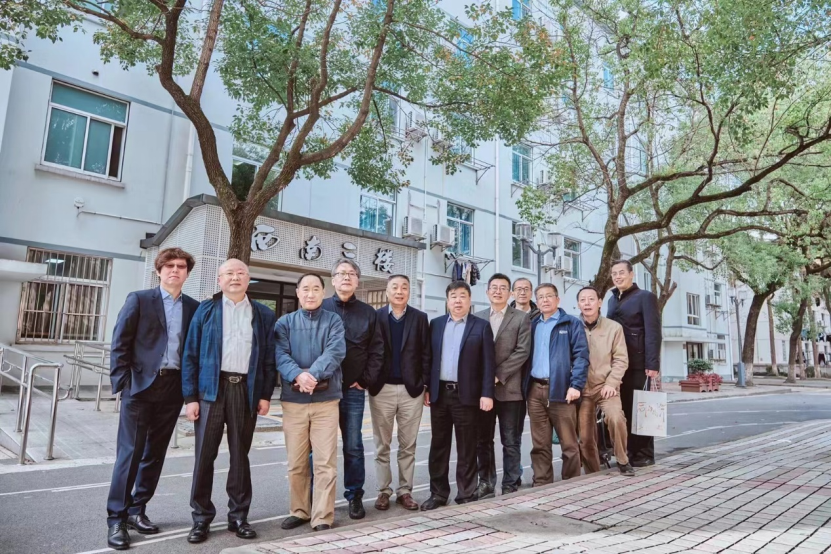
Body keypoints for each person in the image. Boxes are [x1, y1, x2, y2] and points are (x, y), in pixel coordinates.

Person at [106, 248, 199, 551]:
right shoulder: (139, 299)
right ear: (158, 271)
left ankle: (137, 510)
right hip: (140, 387)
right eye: (169, 266)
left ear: (187, 273)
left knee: (155, 454)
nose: (175, 270)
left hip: (172, 388)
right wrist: (123, 383)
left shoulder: (193, 307)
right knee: (130, 453)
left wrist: (191, 393)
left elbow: (193, 352)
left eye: (181, 266)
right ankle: (117, 519)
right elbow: (120, 342)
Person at [182, 259, 277, 544]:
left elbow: (269, 358)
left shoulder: (263, 314)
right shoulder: (205, 310)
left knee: (240, 456)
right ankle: (201, 518)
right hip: (210, 391)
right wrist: (190, 398)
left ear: (249, 279)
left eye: (240, 273)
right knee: (204, 456)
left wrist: (264, 394)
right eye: (229, 273)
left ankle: (238, 516)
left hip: (244, 390)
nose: (235, 278)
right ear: (219, 279)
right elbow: (190, 355)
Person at [276, 273, 346, 532]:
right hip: (293, 402)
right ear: (297, 292)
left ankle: (322, 516)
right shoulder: (284, 323)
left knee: (325, 462)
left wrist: (311, 376)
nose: (310, 293)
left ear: (322, 292)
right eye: (305, 288)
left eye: (316, 288)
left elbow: (335, 351)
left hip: (326, 401)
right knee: (296, 461)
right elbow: (280, 354)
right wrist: (297, 375)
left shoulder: (333, 321)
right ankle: (300, 511)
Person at [421, 280, 495, 510]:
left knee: (467, 447)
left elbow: (488, 363)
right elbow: (428, 358)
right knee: (438, 446)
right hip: (440, 395)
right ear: (447, 300)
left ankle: (466, 493)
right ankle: (438, 493)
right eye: (453, 296)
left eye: (463, 296)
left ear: (470, 300)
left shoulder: (481, 326)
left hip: (467, 396)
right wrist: (427, 387)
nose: (458, 300)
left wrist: (487, 393)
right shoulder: (436, 324)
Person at [320, 258, 384, 519]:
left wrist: (365, 380)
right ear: (333, 279)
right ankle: (317, 498)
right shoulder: (321, 307)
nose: (346, 277)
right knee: (319, 447)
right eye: (341, 273)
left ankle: (354, 495)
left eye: (351, 274)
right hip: (322, 390)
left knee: (353, 445)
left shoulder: (369, 313)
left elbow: (377, 350)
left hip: (353, 390)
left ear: (358, 281)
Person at [369, 274, 431, 512]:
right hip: (381, 389)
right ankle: (383, 491)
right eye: (394, 287)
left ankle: (405, 491)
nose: (399, 291)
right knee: (382, 445)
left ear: (409, 292)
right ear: (387, 291)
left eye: (404, 287)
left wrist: (425, 385)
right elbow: (369, 351)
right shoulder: (376, 317)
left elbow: (426, 354)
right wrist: (368, 380)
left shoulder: (419, 318)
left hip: (411, 390)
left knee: (408, 445)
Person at [524, 283, 589, 484]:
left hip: (562, 389)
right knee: (540, 444)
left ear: (557, 299)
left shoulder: (570, 323)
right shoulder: (532, 324)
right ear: (537, 301)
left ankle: (571, 483)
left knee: (569, 444)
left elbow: (581, 356)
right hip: (535, 390)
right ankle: (541, 482)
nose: (545, 300)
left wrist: (575, 385)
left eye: (549, 296)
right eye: (540, 297)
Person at [474, 273, 531, 498]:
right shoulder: (477, 317)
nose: (498, 291)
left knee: (510, 440)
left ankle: (510, 483)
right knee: (483, 440)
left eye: (503, 288)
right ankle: (486, 482)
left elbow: (522, 352)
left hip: (510, 389)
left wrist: (496, 376)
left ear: (510, 293)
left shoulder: (521, 318)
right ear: (487, 291)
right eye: (494, 287)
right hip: (483, 392)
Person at [607, 259, 662, 467]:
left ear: (631, 274)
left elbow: (653, 331)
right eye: (614, 273)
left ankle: (644, 453)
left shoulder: (645, 297)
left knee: (641, 408)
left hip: (639, 363)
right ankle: (628, 451)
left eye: (621, 272)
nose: (618, 276)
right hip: (618, 363)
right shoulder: (612, 300)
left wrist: (652, 364)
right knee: (624, 410)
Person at [575, 286, 635, 476]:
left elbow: (621, 359)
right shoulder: (572, 326)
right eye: (583, 300)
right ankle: (593, 471)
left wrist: (611, 383)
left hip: (606, 386)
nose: (587, 303)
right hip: (582, 388)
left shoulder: (613, 328)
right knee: (585, 436)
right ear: (578, 304)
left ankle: (623, 460)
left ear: (599, 302)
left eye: (591, 299)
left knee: (616, 418)